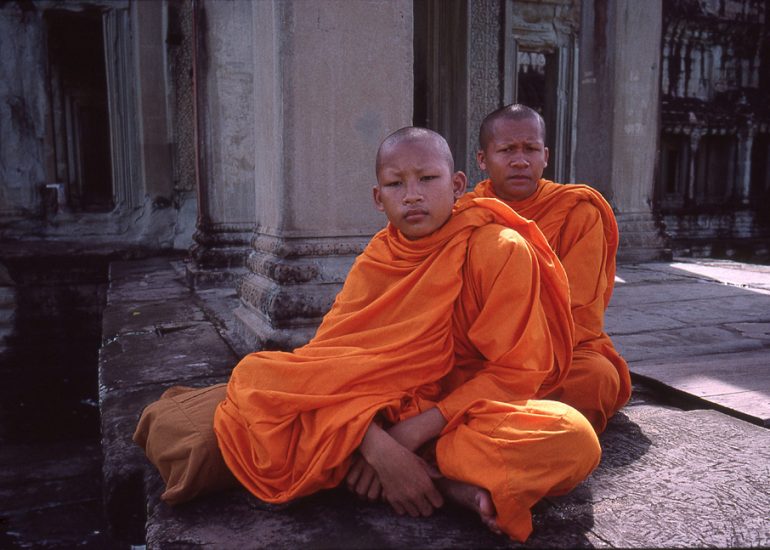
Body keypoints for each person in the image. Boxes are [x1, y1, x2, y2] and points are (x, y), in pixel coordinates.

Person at [213, 127, 600, 542]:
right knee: (254, 377)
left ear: (456, 185)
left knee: (573, 439)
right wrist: (375, 444)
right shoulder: (379, 258)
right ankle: (441, 483)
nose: (412, 195)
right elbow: (326, 361)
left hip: (460, 415)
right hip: (379, 407)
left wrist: (408, 435)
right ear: (378, 198)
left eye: (427, 180)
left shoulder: (499, 248)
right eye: (396, 184)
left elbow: (515, 373)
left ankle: (385, 469)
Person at [462, 103, 631, 434]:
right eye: (507, 149)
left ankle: (478, 414)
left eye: (530, 149)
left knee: (596, 379)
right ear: (483, 159)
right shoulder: (467, 214)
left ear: (546, 156)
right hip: (484, 354)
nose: (520, 160)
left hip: (559, 355)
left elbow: (580, 315)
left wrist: (522, 366)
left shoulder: (577, 212)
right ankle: (512, 415)